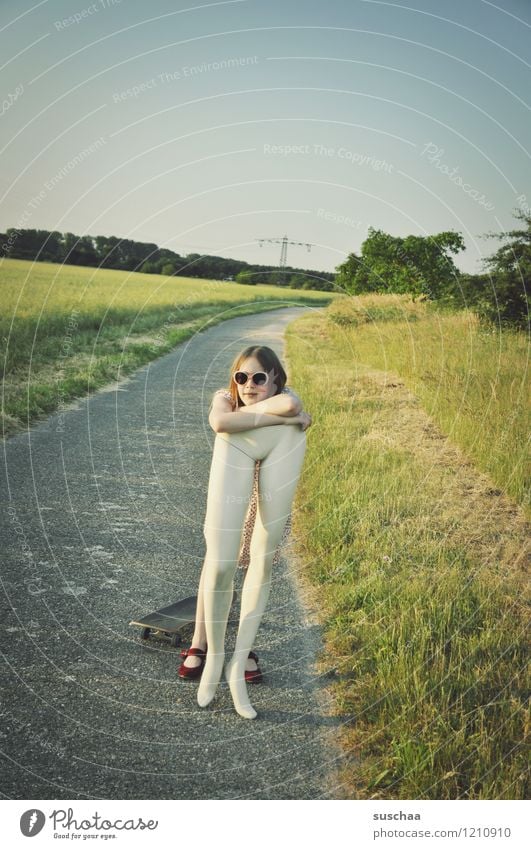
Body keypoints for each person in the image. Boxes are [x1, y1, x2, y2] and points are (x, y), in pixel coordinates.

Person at [179, 345, 312, 719]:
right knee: (220, 562)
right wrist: (284, 417)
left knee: (261, 559)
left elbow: (288, 405)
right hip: (236, 457)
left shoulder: (286, 397)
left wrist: (283, 414)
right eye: (241, 377)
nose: (248, 385)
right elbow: (222, 423)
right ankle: (210, 653)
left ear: (275, 379)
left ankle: (237, 666)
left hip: (277, 455)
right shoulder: (223, 398)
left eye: (258, 378)